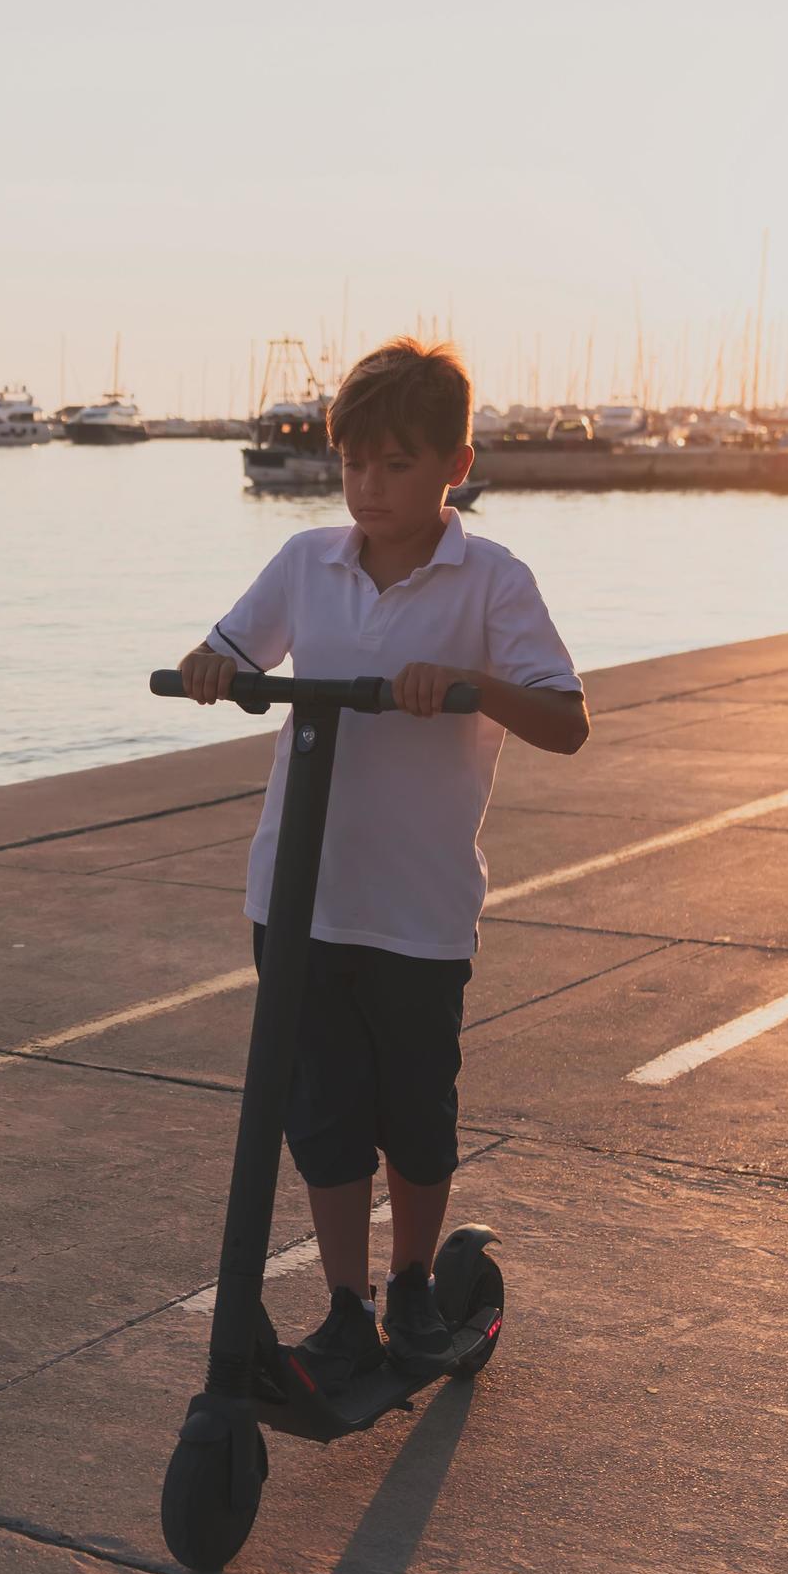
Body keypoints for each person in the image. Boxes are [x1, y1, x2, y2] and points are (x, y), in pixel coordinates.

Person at [174, 336, 586, 1384]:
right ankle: (346, 1305)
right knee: (323, 1112)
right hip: (300, 893)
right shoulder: (306, 561)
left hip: (416, 909)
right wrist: (213, 667)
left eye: (397, 465)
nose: (368, 487)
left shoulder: (491, 580)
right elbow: (233, 647)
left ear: (454, 463)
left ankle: (411, 1281)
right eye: (355, 463)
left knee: (415, 1108)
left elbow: (566, 720)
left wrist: (466, 683)